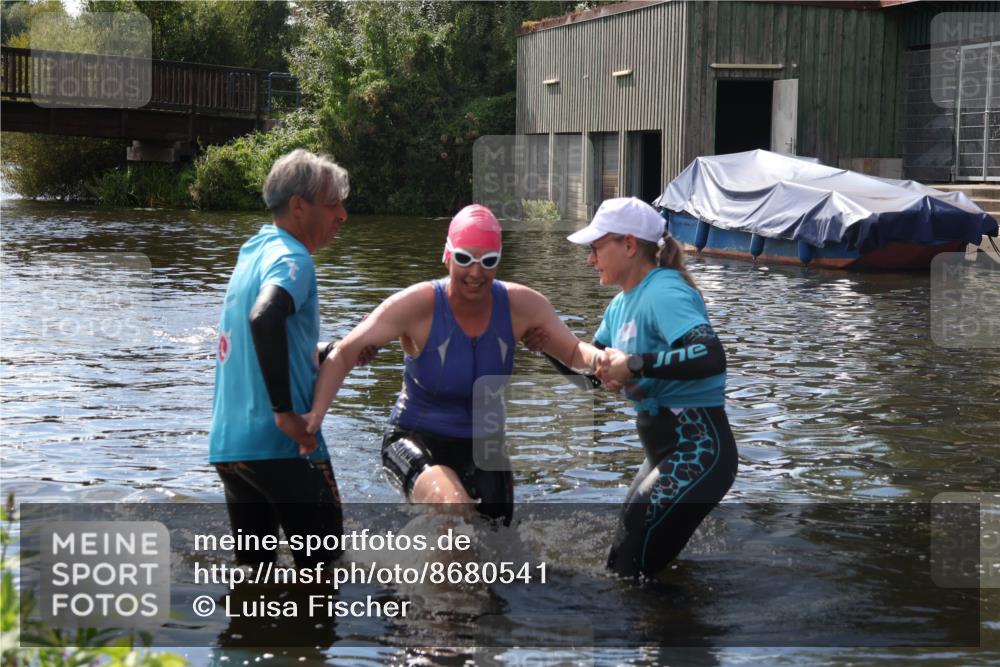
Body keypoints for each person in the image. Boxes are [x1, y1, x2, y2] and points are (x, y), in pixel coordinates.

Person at [303, 204, 607, 525]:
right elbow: (344, 353)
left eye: (488, 261)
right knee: (454, 508)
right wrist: (313, 421)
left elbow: (574, 352)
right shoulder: (418, 304)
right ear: (447, 256)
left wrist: (602, 360)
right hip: (415, 437)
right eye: (464, 258)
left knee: (498, 539)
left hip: (485, 447)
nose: (476, 273)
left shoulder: (522, 306)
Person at [566, 197, 738, 578]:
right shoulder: (618, 307)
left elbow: (711, 355)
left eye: (596, 248)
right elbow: (586, 376)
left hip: (700, 450)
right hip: (663, 452)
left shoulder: (664, 291)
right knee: (625, 559)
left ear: (629, 245)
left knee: (629, 569)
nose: (590, 259)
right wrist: (540, 336)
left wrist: (635, 364)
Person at [208, 149, 352, 568]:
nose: (342, 215)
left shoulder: (253, 251)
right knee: (324, 573)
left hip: (231, 449)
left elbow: (258, 338)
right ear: (299, 206)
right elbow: (265, 317)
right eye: (333, 204)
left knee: (255, 578)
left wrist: (327, 352)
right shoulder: (293, 258)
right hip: (284, 448)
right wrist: (284, 413)